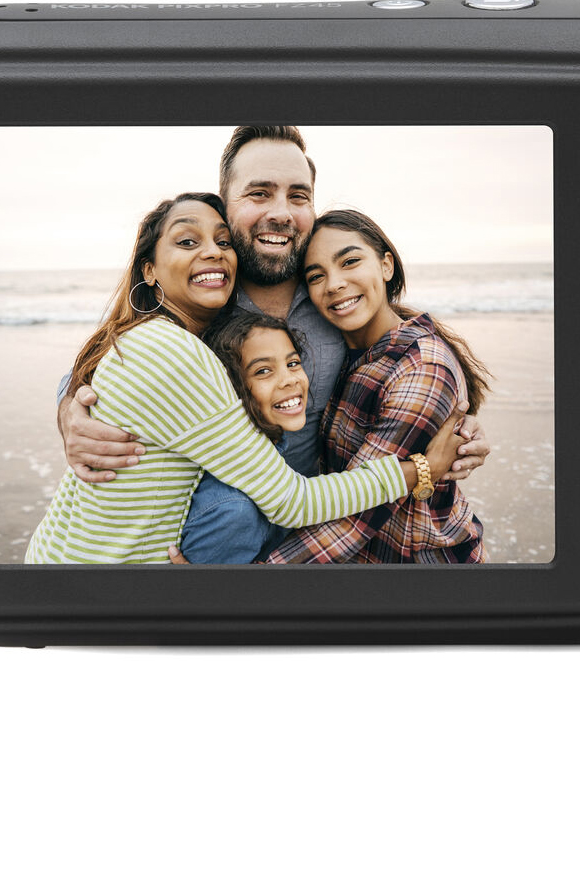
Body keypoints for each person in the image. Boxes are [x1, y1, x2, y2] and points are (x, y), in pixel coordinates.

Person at [26, 192, 467, 564]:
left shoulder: (178, 332)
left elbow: (379, 327)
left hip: (79, 560)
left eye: (222, 242)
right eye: (187, 241)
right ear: (149, 270)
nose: (213, 252)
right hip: (94, 580)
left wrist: (446, 396)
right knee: (236, 508)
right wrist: (422, 470)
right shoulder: (173, 350)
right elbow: (292, 501)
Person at [58, 126, 490, 491]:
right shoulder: (202, 296)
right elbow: (111, 357)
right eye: (259, 193)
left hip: (319, 521)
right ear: (224, 203)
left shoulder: (330, 291)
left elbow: (397, 351)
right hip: (218, 528)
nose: (281, 213)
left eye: (298, 196)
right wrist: (69, 413)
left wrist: (457, 418)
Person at [262, 210, 490, 563]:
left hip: (417, 565)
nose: (334, 284)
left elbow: (357, 516)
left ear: (386, 265)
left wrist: (250, 578)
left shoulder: (422, 367)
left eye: (350, 262)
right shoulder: (332, 350)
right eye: (316, 276)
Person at [178, 311, 308, 563]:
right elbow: (204, 589)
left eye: (293, 363)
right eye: (263, 371)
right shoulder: (234, 511)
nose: (289, 380)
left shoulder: (270, 461)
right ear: (230, 389)